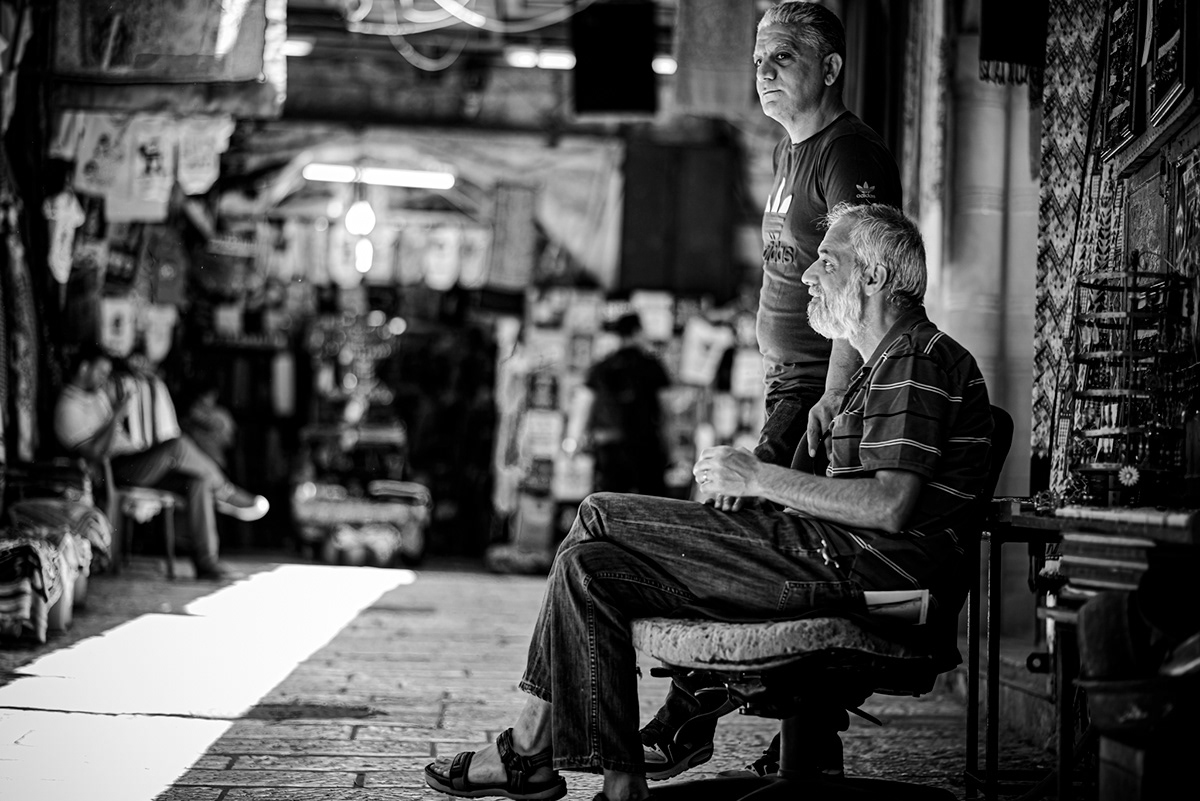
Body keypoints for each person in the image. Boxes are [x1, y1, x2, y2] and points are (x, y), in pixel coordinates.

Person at [423, 202, 993, 801]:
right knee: (588, 567)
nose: (807, 275)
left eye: (828, 260)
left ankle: (536, 756)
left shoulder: (916, 359)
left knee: (598, 514)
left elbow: (889, 507)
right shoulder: (884, 366)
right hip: (833, 559)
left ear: (874, 278)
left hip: (868, 578)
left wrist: (757, 478)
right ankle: (618, 779)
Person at [641, 0, 905, 778]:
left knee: (739, 538)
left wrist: (833, 393)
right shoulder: (792, 149)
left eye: (782, 57)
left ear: (829, 68)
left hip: (817, 385)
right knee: (792, 563)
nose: (763, 72)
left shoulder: (849, 153)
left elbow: (861, 279)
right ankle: (803, 744)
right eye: (758, 58)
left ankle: (689, 717)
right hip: (788, 378)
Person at [54, 341, 269, 581]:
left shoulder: (95, 397)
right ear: (84, 368)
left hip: (134, 463)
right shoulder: (68, 408)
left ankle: (207, 562)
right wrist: (117, 414)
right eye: (101, 372)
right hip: (115, 470)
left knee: (197, 483)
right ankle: (227, 492)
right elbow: (94, 454)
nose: (105, 378)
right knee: (177, 445)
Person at [565, 312, 671, 497]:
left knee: (609, 506)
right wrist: (671, 446)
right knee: (651, 506)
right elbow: (666, 412)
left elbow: (582, 407)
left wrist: (572, 443)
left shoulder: (601, 367)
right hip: (645, 446)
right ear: (637, 331)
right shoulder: (651, 366)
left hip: (609, 447)